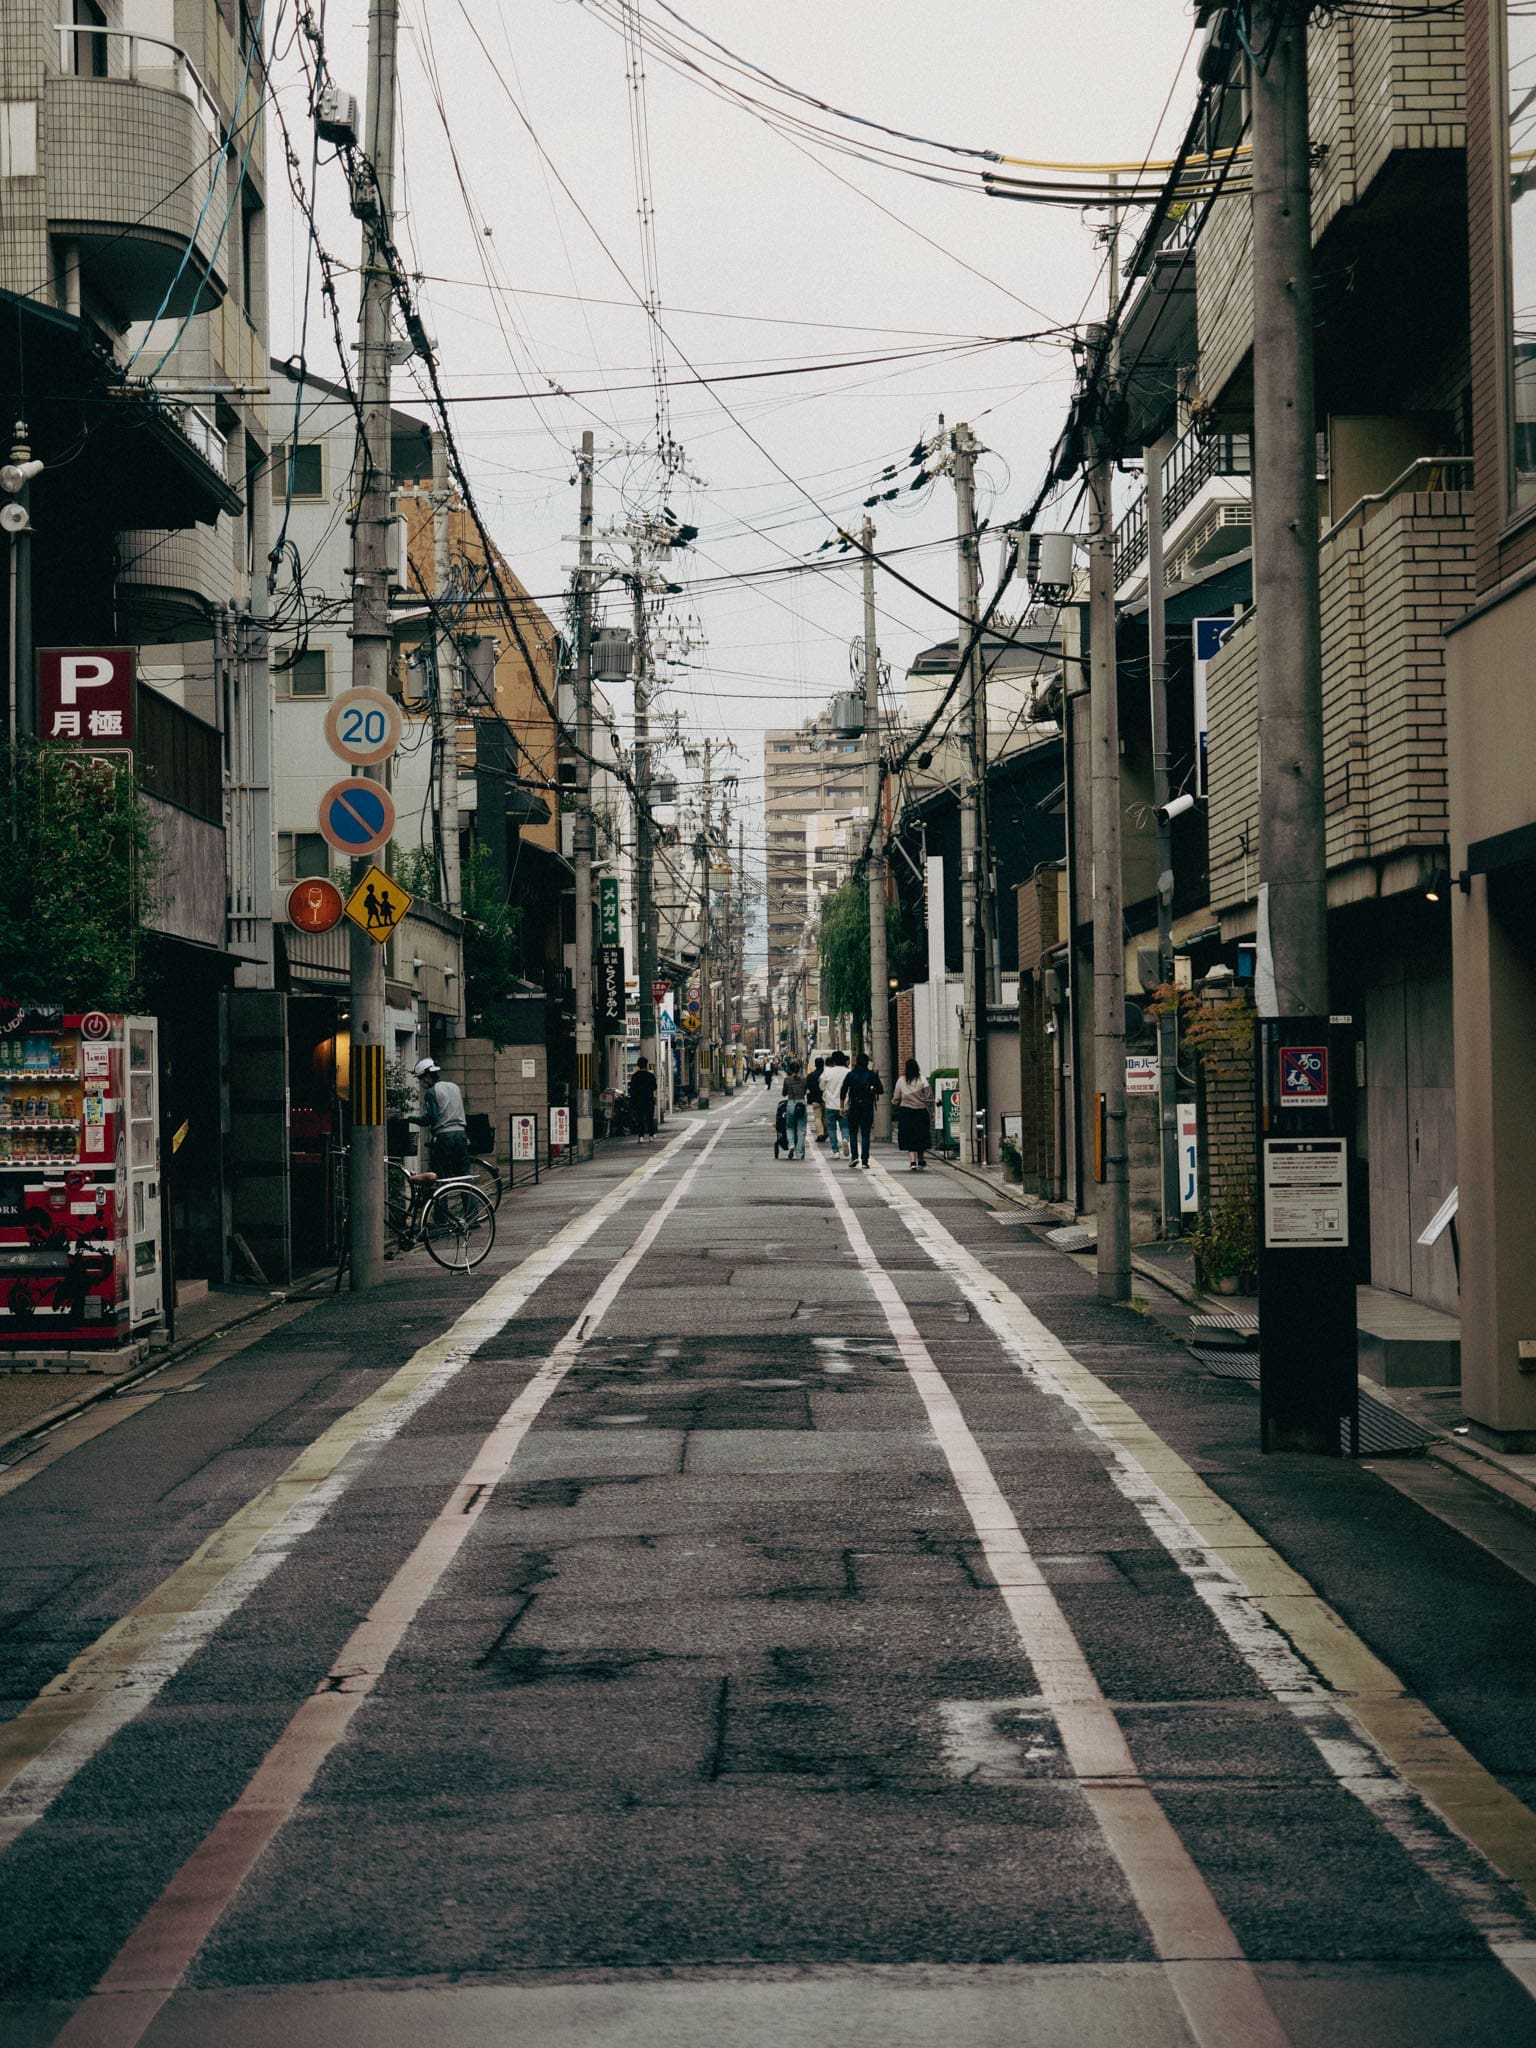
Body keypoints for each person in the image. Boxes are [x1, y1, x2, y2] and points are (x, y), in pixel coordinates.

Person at [411, 1057, 469, 1179]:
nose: (421, 1083)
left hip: (444, 1137)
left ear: (427, 1076)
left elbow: (430, 1118)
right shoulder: (454, 1087)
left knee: (442, 1174)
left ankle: (444, 1191)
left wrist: (412, 1119)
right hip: (461, 1134)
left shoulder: (431, 1092)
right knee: (463, 1174)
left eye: (421, 1078)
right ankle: (466, 1191)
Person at [843, 1050, 884, 1169]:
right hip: (867, 1106)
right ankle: (865, 1160)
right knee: (865, 1133)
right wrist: (872, 1089)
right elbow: (880, 1090)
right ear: (867, 1063)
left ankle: (854, 1156)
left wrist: (841, 1105)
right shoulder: (871, 1075)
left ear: (856, 1062)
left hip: (854, 1106)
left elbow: (843, 1090)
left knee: (853, 1132)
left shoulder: (851, 1075)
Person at [892, 1057, 934, 1171]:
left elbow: (896, 1097)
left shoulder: (901, 1081)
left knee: (909, 1136)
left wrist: (895, 1103)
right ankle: (921, 1159)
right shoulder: (923, 1079)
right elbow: (929, 1096)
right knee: (921, 1135)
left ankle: (912, 1161)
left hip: (906, 1112)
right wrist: (931, 1112)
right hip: (921, 1112)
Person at [820, 1050, 851, 1158]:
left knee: (832, 1128)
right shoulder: (848, 1072)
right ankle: (845, 1139)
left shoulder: (827, 1072)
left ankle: (835, 1151)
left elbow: (821, 1087)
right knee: (845, 1126)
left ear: (833, 1061)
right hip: (844, 1105)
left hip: (830, 1105)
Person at [779, 1058, 808, 1158]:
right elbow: (805, 1091)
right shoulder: (804, 1079)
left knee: (790, 1127)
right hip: (801, 1104)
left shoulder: (787, 1080)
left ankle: (791, 1145)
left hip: (791, 1104)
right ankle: (799, 1152)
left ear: (790, 1070)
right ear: (799, 1069)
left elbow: (784, 1093)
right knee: (801, 1129)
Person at [628, 1055, 658, 1143]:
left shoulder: (635, 1076)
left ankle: (641, 1136)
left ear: (638, 1065)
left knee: (640, 1118)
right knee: (649, 1118)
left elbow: (632, 1089)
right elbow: (654, 1086)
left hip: (639, 1100)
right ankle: (651, 1136)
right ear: (646, 1064)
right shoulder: (650, 1075)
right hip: (649, 1099)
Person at [806, 1055, 827, 1143]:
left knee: (817, 1117)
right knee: (825, 1117)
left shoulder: (811, 1076)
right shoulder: (826, 1074)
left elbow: (808, 1087)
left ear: (815, 1065)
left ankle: (820, 1134)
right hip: (826, 1099)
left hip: (815, 1098)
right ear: (823, 1064)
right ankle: (826, 1132)